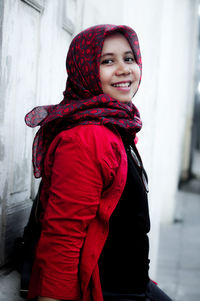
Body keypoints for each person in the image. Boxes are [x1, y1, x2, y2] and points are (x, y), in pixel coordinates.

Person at [25, 24, 173, 301]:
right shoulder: (87, 138)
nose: (124, 68)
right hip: (105, 292)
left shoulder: (116, 124)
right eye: (107, 61)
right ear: (85, 70)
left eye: (129, 58)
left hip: (134, 286)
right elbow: (62, 239)